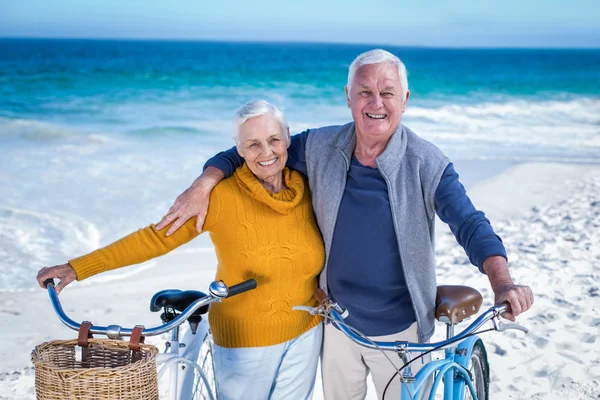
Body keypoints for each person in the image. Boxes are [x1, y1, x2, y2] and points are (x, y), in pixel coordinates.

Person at [156, 49, 535, 400]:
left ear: (404, 100)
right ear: (348, 97)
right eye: (364, 92)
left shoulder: (427, 163)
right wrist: (203, 185)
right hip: (337, 324)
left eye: (387, 93)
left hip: (401, 331)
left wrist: (502, 282)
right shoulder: (320, 146)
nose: (376, 103)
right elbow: (250, 149)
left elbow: (470, 223)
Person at [36, 100, 325, 400]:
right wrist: (78, 267)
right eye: (253, 144)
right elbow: (155, 238)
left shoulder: (306, 186)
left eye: (274, 140)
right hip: (246, 341)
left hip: (307, 332)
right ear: (237, 150)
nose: (266, 152)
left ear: (288, 137)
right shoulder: (219, 197)